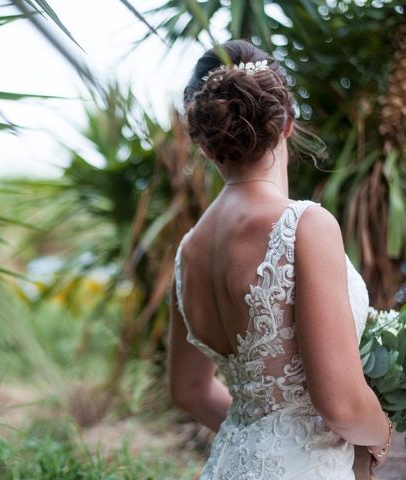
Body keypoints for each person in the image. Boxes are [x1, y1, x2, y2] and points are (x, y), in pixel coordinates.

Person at [168, 39, 393, 480]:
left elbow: (189, 390)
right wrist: (382, 434)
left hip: (226, 468)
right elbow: (342, 405)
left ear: (206, 144)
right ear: (287, 124)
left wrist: (259, 435)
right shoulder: (305, 224)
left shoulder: (188, 251)